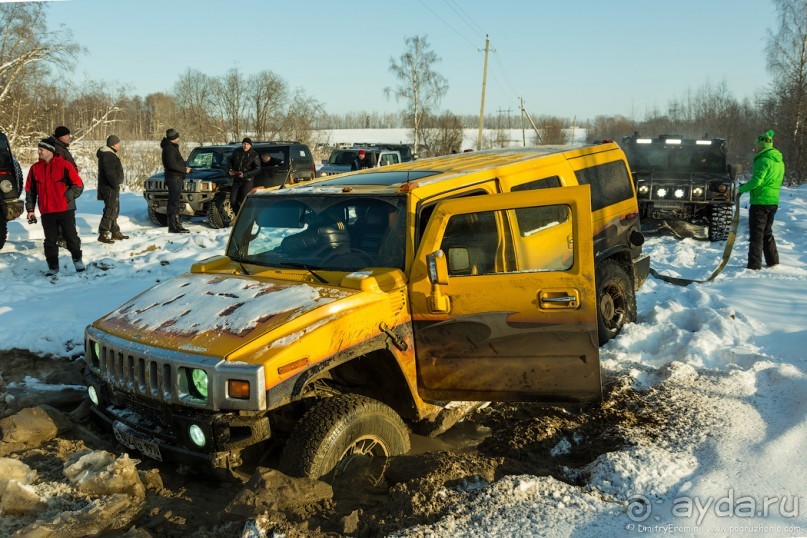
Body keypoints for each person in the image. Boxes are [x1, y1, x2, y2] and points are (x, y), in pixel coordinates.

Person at [25, 139, 85, 276]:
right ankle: (53, 267)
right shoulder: (35, 169)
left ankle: (77, 260)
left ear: (50, 151)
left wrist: (67, 197)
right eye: (38, 149)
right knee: (50, 241)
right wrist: (30, 210)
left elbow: (78, 185)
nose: (38, 151)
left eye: (42, 149)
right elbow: (30, 191)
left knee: (71, 237)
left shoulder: (65, 165)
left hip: (65, 209)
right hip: (46, 211)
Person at [738, 129, 785, 270]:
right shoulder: (779, 161)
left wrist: (741, 189)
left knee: (756, 234)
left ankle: (754, 265)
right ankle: (773, 261)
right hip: (773, 200)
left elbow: (757, 181)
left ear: (762, 145)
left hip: (760, 201)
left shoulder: (763, 160)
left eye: (756, 145)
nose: (755, 148)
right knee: (767, 232)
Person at [45, 126, 79, 248]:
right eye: (67, 135)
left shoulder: (59, 147)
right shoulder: (58, 149)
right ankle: (63, 238)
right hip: (62, 186)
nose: (70, 137)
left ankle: (65, 237)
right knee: (65, 212)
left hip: (63, 185)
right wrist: (74, 170)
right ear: (60, 137)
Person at [97, 135, 127, 243]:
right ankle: (103, 233)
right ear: (113, 144)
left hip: (111, 187)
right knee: (110, 209)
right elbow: (109, 173)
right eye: (118, 143)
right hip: (109, 188)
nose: (120, 145)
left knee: (114, 209)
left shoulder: (109, 154)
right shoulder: (108, 155)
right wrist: (114, 185)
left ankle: (115, 232)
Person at [160, 128, 190, 233]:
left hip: (175, 177)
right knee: (173, 202)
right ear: (174, 138)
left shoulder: (171, 147)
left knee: (175, 201)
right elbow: (172, 164)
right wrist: (184, 169)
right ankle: (173, 226)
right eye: (177, 136)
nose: (179, 137)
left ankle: (176, 224)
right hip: (174, 177)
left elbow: (175, 162)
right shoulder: (169, 148)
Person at [228, 137, 260, 216]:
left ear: (250, 145)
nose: (245, 145)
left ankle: (247, 216)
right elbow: (230, 161)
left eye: (247, 144)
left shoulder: (254, 155)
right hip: (236, 179)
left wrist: (245, 175)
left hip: (247, 181)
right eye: (244, 144)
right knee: (233, 200)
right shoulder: (237, 152)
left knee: (244, 200)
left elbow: (258, 169)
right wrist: (230, 170)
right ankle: (238, 215)